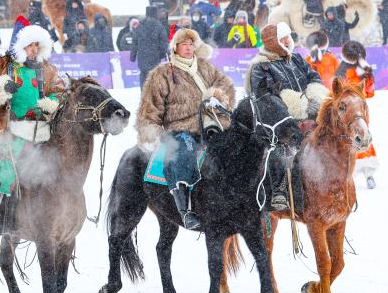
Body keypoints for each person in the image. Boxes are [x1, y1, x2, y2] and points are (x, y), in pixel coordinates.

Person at [135, 28, 235, 229]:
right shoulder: (162, 73)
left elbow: (227, 87)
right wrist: (151, 130)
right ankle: (186, 210)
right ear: (175, 48)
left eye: (191, 44)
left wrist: (218, 96)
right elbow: (150, 106)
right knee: (184, 152)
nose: (189, 48)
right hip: (179, 127)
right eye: (184, 45)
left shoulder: (205, 67)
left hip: (210, 122)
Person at [0, 16, 66, 233]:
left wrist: (52, 102)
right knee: (0, 166)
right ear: (19, 44)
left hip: (43, 131)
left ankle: (60, 212)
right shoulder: (1, 65)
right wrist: (1, 88)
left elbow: (60, 91)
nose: (34, 49)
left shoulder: (47, 69)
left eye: (37, 45)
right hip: (6, 131)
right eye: (29, 44)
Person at [245, 22, 329, 210]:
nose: (287, 41)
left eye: (287, 37)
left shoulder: (297, 59)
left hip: (310, 116)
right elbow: (265, 98)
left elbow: (314, 77)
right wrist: (294, 107)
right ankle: (280, 190)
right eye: (282, 38)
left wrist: (315, 98)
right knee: (283, 151)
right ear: (272, 42)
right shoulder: (260, 66)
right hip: (279, 122)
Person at [336, 40, 377, 189]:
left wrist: (368, 77)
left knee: (363, 138)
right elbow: (338, 94)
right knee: (346, 141)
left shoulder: (363, 69)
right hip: (347, 113)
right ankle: (345, 176)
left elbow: (370, 93)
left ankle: (368, 174)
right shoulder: (342, 70)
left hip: (361, 111)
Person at [131, 6, 169, 88]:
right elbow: (163, 42)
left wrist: (132, 56)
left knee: (144, 77)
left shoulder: (140, 25)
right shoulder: (159, 26)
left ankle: (144, 96)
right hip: (155, 57)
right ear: (155, 13)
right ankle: (154, 96)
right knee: (155, 78)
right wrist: (163, 54)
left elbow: (135, 42)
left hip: (142, 57)